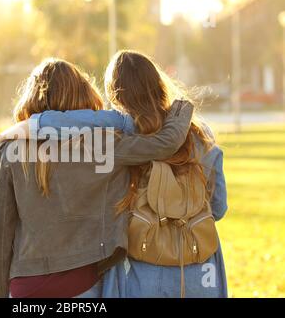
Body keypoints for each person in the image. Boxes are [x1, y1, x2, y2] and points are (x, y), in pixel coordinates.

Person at [12, 50, 228, 298]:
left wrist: (33, 124)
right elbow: (218, 208)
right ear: (159, 84)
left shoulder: (116, 138)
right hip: (199, 268)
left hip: (137, 269)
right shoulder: (200, 135)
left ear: (115, 94)